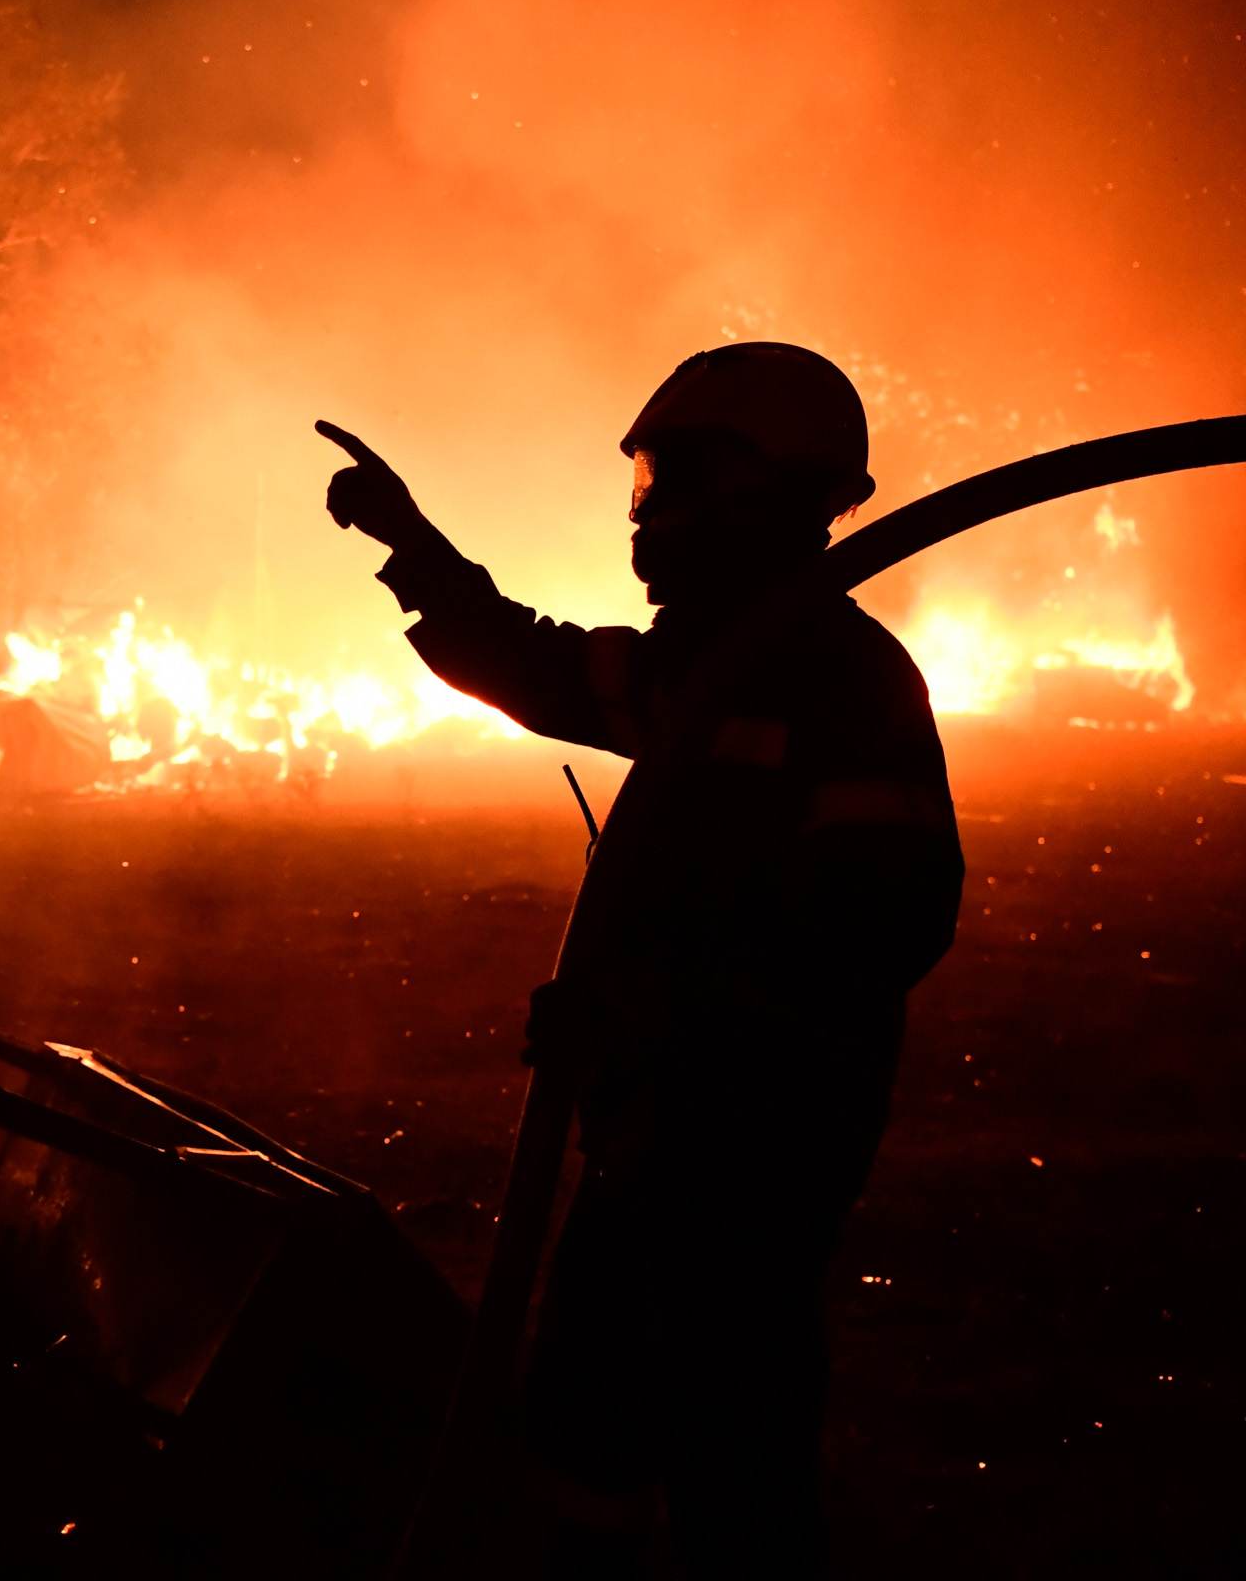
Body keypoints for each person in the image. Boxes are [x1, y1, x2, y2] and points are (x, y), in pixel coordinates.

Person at [320, 343, 965, 1574]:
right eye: (647, 479)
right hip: (663, 1135)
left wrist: (656, 1014)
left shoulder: (841, 682)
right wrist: (409, 544)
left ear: (763, 492)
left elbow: (876, 925)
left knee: (729, 1432)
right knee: (584, 1412)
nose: (648, 512)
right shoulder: (706, 664)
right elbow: (536, 663)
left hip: (759, 1148)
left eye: (674, 478)